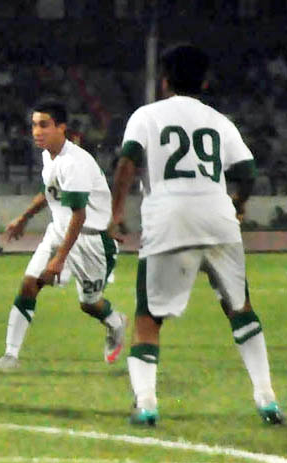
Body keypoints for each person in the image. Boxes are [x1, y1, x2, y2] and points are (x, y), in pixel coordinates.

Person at [111, 44, 283, 426]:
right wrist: (237, 203)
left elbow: (128, 161)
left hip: (169, 218)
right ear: (204, 81)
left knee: (148, 317)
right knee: (239, 308)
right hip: (217, 216)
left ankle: (147, 403)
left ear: (164, 81)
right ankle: (267, 398)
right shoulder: (219, 120)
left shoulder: (147, 116)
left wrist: (116, 212)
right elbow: (247, 170)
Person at [0, 100, 127, 371]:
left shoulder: (74, 163)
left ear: (61, 128)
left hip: (91, 241)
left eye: (44, 125)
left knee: (89, 304)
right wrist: (24, 218)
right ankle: (10, 356)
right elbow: (49, 192)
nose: (36, 131)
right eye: (34, 125)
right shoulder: (48, 156)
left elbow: (80, 216)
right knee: (29, 285)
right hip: (59, 231)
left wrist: (60, 259)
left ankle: (115, 322)